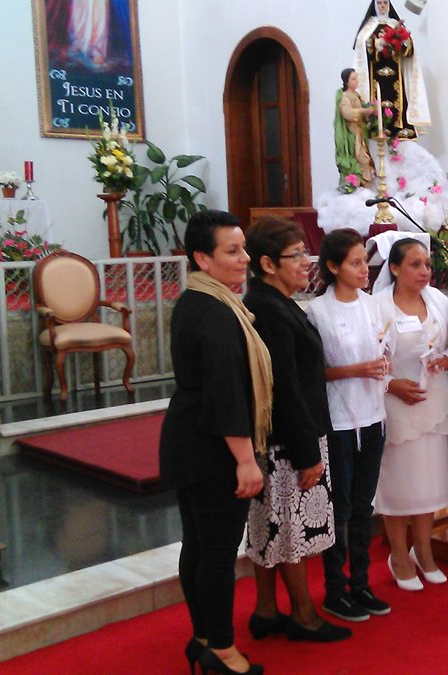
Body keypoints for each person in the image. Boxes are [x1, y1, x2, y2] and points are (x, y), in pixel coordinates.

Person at [159, 210, 268, 675]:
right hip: (213, 450)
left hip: (190, 441)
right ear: (202, 258)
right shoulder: (216, 313)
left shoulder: (197, 300)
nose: (244, 258)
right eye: (232, 251)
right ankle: (222, 650)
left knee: (200, 547)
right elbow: (225, 394)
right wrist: (245, 460)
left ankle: (203, 637)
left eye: (243, 248)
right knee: (218, 553)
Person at [241, 216, 350, 644]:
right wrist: (307, 453)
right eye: (295, 255)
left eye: (306, 252)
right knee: (291, 531)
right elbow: (284, 386)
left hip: (284, 437)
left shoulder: (276, 302)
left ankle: (267, 610)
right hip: (289, 441)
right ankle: (303, 614)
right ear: (268, 263)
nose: (306, 262)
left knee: (270, 525)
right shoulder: (269, 309)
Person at [306, 228, 391, 622]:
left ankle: (361, 584)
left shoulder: (374, 306)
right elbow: (311, 372)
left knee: (363, 506)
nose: (364, 270)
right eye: (355, 263)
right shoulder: (317, 312)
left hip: (373, 416)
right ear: (333, 267)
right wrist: (355, 369)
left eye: (366, 262)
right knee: (338, 509)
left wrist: (384, 366)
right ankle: (334, 590)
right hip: (339, 422)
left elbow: (384, 350)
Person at [373, 238, 448, 589]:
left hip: (433, 401)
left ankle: (423, 551)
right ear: (394, 268)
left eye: (427, 264)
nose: (424, 271)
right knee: (399, 483)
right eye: (414, 264)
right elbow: (368, 356)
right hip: (395, 405)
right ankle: (398, 554)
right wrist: (391, 384)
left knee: (428, 482)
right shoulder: (378, 306)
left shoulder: (438, 301)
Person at [352, 0, 430, 140]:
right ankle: (377, 128)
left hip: (396, 79)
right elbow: (362, 49)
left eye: (385, 3)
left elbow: (409, 50)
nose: (382, 6)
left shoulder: (395, 25)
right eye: (380, 3)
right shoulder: (368, 28)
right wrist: (377, 44)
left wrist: (401, 42)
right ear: (375, 5)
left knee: (399, 107)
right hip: (376, 80)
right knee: (377, 108)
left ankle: (399, 129)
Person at [334, 68, 376, 189]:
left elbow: (363, 111)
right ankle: (358, 185)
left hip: (360, 132)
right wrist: (363, 111)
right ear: (346, 82)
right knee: (360, 158)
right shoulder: (345, 96)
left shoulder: (356, 95)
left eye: (356, 78)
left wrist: (371, 113)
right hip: (352, 134)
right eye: (353, 79)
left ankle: (365, 185)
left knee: (365, 158)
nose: (356, 81)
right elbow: (347, 113)